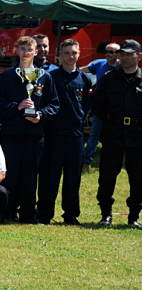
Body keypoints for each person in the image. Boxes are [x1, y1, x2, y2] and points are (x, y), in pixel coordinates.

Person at [0, 36, 59, 223]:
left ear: (36, 52)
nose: (26, 53)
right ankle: (6, 212)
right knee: (9, 175)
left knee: (30, 176)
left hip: (34, 135)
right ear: (17, 51)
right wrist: (17, 106)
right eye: (22, 49)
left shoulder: (44, 77)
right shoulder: (7, 76)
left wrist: (40, 115)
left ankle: (28, 213)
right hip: (10, 134)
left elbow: (54, 104)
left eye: (30, 50)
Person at [37, 39, 92, 225]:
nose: (71, 56)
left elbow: (84, 106)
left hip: (75, 136)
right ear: (59, 55)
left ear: (79, 54)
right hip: (54, 134)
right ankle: (44, 215)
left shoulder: (84, 79)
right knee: (49, 177)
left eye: (74, 53)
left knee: (73, 178)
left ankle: (70, 216)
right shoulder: (50, 76)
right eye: (67, 53)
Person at [91, 39, 142, 228]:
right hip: (113, 132)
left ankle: (134, 217)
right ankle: (106, 215)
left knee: (138, 178)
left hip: (138, 135)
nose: (125, 57)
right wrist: (111, 120)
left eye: (129, 54)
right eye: (122, 54)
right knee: (106, 176)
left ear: (139, 56)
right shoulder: (109, 77)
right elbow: (97, 104)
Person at [81, 42, 120, 171]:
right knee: (94, 134)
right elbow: (81, 70)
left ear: (118, 54)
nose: (108, 54)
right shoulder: (99, 63)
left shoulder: (122, 67)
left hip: (116, 108)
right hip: (100, 106)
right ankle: (86, 162)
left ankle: (113, 163)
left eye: (111, 52)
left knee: (114, 136)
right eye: (106, 51)